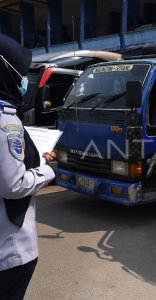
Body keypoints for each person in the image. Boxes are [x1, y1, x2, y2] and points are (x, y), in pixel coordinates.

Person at [0, 33, 56, 299]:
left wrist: (36, 157)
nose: (24, 81)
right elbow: (13, 185)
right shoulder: (7, 123)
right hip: (9, 249)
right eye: (22, 73)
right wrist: (45, 169)